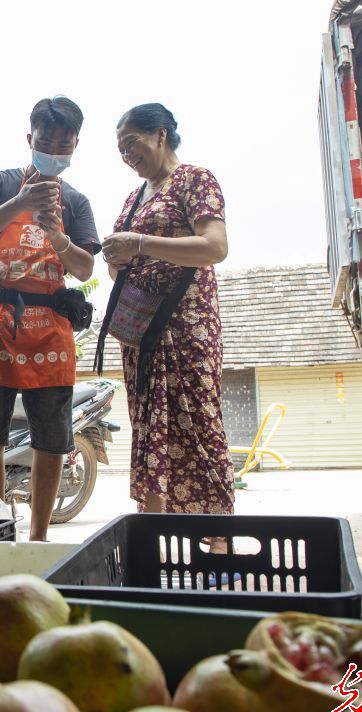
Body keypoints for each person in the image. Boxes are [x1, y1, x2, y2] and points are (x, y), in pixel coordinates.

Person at [0, 96, 98, 542]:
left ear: (76, 145)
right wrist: (18, 205)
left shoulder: (76, 202)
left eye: (64, 144)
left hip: (51, 331)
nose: (54, 150)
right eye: (46, 141)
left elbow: (84, 269)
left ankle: (38, 538)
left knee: (52, 440)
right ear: (30, 139)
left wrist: (57, 236)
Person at [101, 103, 234, 517]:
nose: (127, 156)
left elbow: (215, 247)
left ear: (160, 134)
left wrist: (139, 243)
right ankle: (152, 534)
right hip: (142, 334)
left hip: (186, 327)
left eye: (132, 144)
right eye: (120, 150)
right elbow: (118, 269)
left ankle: (217, 543)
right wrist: (117, 257)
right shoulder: (134, 197)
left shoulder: (194, 180)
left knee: (197, 424)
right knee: (149, 429)